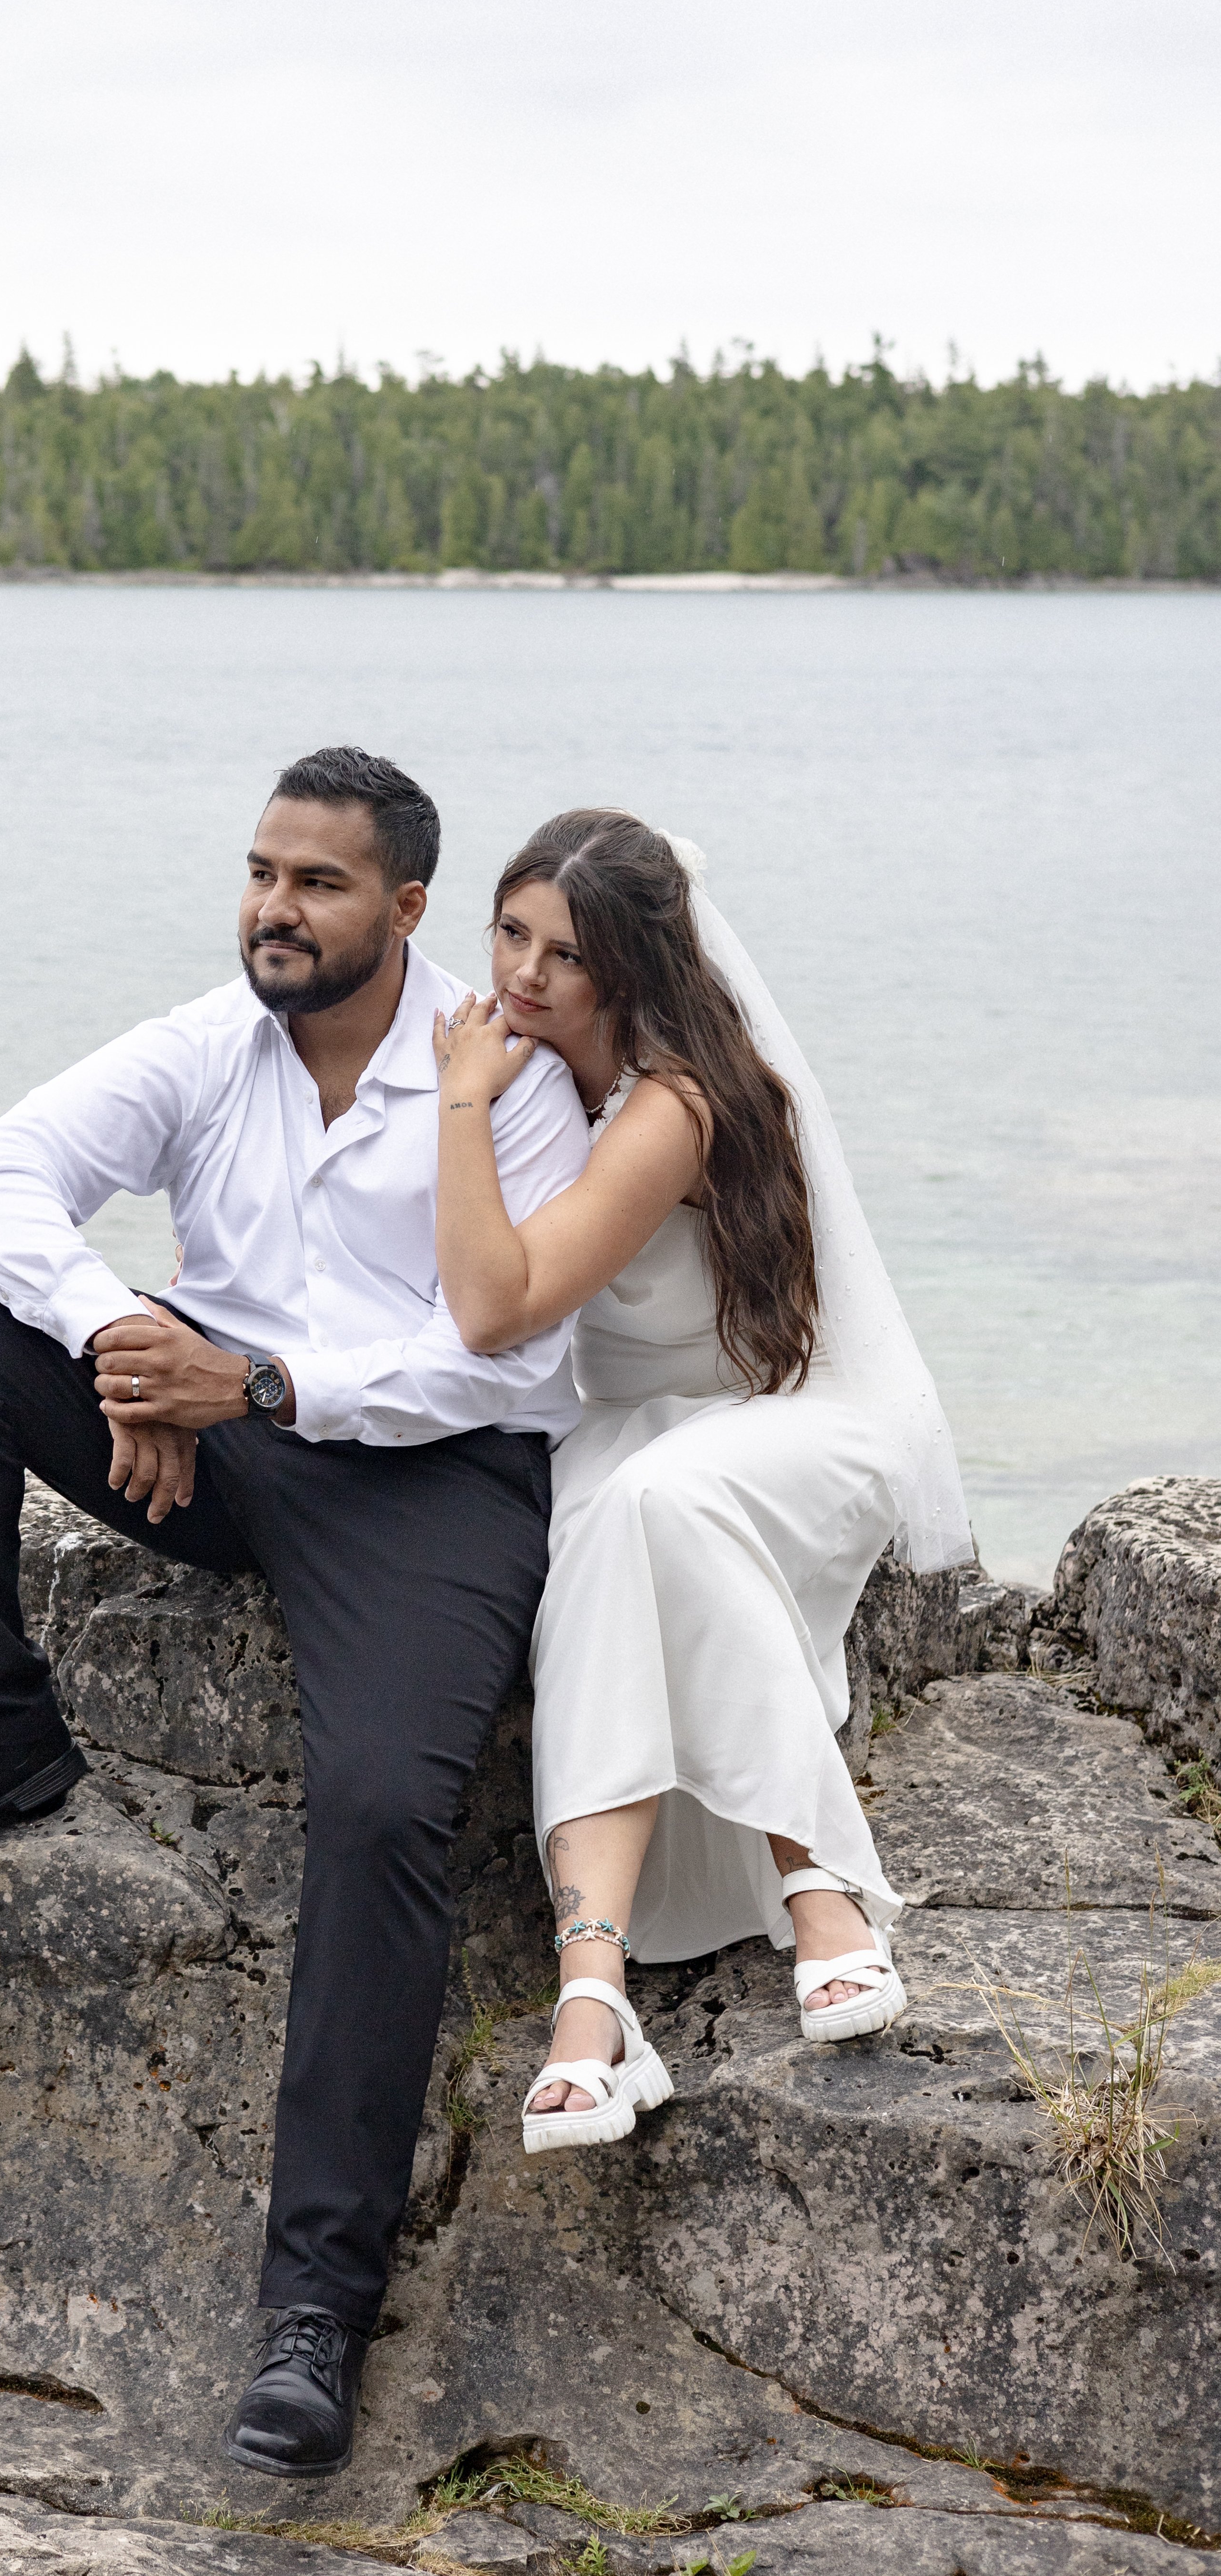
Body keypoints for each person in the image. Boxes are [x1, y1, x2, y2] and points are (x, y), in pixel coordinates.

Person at [0, 747, 590, 2475]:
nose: (273, 909)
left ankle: (314, 2310)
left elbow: (504, 1353)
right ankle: (1, 1728)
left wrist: (245, 1381)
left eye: (317, 884)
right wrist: (128, 1350)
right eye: (260, 871)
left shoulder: (507, 1073)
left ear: (403, 910)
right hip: (210, 1431)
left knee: (384, 1808)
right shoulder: (207, 1040)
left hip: (426, 1479)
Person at [430, 809, 970, 2152]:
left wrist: (453, 1102)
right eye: (511, 933)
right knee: (615, 1513)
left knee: (653, 1505)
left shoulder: (669, 1102)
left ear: (634, 966)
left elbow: (496, 1308)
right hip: (621, 1437)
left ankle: (818, 1893)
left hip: (787, 1422)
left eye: (568, 953)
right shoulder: (527, 1066)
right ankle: (597, 1992)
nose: (526, 975)